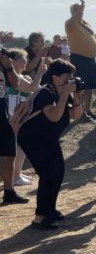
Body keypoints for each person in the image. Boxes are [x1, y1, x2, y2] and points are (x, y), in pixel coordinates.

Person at [15, 59, 83, 229]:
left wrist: (75, 95)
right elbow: (54, 116)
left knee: (58, 172)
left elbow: (76, 115)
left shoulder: (62, 93)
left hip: (48, 139)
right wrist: (65, 94)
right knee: (48, 175)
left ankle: (50, 210)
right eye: (67, 76)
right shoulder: (45, 92)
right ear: (55, 77)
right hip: (32, 139)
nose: (70, 80)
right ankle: (40, 217)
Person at [7, 48, 46, 186]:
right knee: (18, 146)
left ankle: (16, 173)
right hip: (13, 117)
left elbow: (35, 88)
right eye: (23, 61)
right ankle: (15, 176)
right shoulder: (12, 76)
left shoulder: (17, 76)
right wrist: (40, 73)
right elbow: (32, 88)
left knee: (19, 145)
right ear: (13, 61)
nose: (25, 64)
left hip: (17, 116)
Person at [65, 0, 96, 122]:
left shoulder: (86, 24)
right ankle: (79, 112)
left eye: (80, 9)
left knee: (90, 86)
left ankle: (87, 110)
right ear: (72, 12)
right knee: (80, 87)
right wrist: (80, 11)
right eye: (76, 9)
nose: (79, 10)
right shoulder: (69, 24)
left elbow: (93, 40)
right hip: (79, 58)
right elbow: (72, 21)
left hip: (92, 59)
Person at [0, 51, 29, 204]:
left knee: (9, 154)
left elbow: (16, 84)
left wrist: (8, 67)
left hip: (2, 111)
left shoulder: (4, 62)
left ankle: (9, 191)